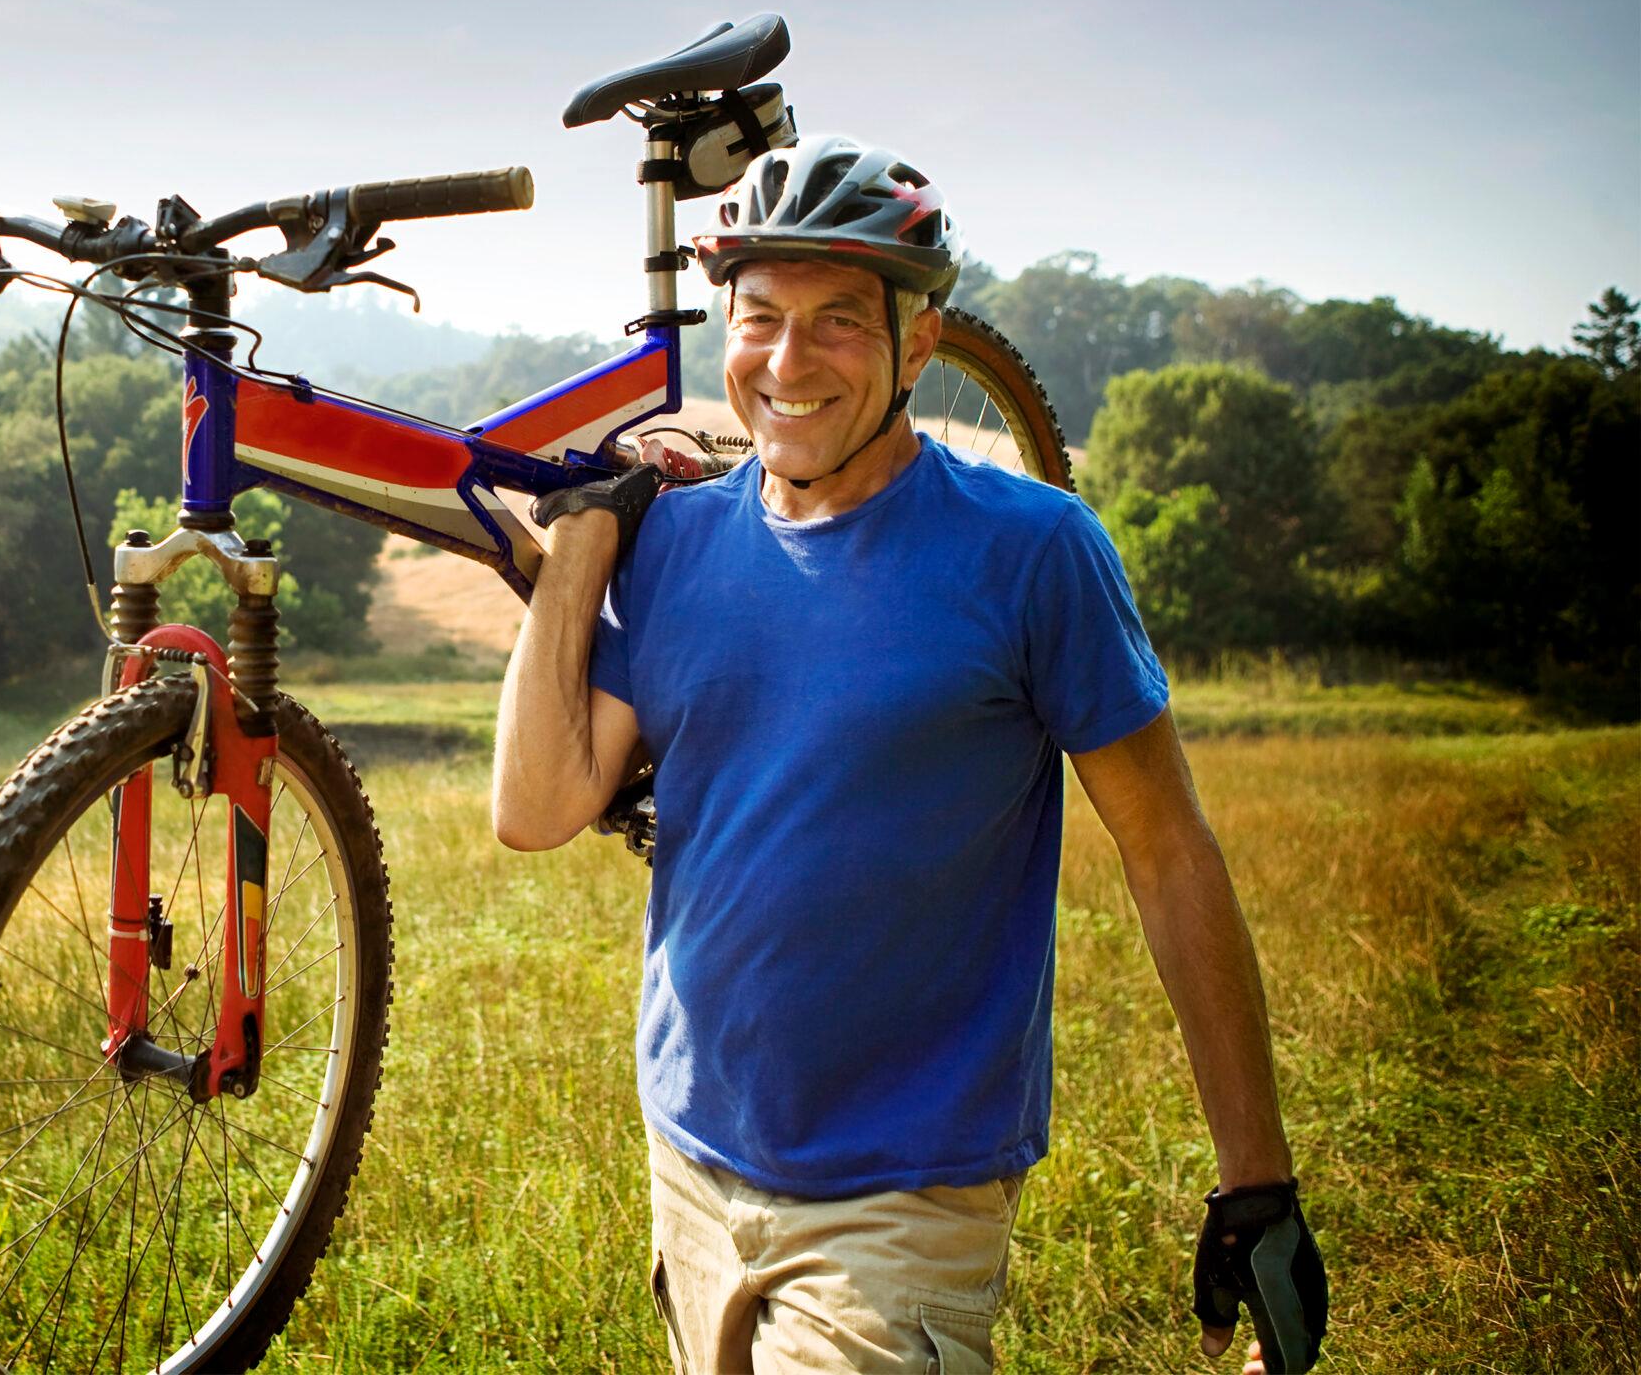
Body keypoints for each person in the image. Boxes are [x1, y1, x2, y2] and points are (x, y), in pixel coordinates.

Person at [491, 137, 1327, 1374]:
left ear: (918, 345)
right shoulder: (672, 547)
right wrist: (576, 570)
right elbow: (535, 807)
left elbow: (1168, 854)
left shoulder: (1032, 552)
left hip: (903, 1198)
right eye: (761, 317)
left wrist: (1254, 1182)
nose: (787, 361)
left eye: (838, 322)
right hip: (690, 1159)